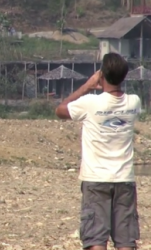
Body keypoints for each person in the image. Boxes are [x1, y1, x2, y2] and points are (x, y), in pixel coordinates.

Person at [55, 52, 141, 250]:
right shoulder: (134, 102)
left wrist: (87, 86)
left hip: (96, 179)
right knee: (126, 240)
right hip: (124, 179)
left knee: (95, 239)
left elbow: (61, 110)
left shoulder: (91, 103)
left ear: (101, 75)